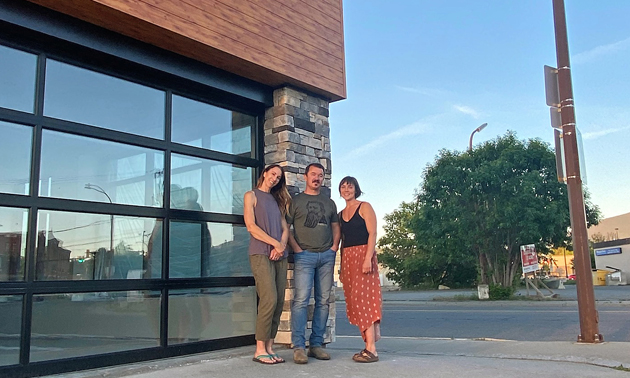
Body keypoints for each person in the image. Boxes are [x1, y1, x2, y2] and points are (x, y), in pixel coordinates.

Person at [287, 163, 340, 364]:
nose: (317, 178)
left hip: (326, 256)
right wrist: (296, 248)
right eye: (313, 174)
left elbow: (336, 226)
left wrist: (334, 247)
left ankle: (316, 345)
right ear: (305, 177)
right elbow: (286, 225)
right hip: (304, 256)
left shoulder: (329, 203)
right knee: (301, 301)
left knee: (323, 301)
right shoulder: (296, 201)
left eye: (320, 175)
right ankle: (299, 347)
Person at [243, 164, 291, 365]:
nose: (275, 178)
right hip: (260, 253)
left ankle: (269, 348)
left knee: (279, 301)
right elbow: (251, 226)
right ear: (264, 173)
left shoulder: (276, 200)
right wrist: (275, 243)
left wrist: (281, 247)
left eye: (278, 177)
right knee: (269, 298)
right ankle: (259, 349)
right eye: (273, 174)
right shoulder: (251, 195)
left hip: (279, 255)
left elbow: (285, 228)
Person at [338, 176, 382, 363]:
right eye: (343, 187)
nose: (347, 189)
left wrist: (367, 259)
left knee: (366, 299)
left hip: (364, 254)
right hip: (348, 258)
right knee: (355, 301)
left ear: (356, 189)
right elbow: (342, 241)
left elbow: (372, 233)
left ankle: (372, 348)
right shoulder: (340, 214)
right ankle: (369, 340)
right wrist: (340, 266)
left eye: (350, 186)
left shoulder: (365, 207)